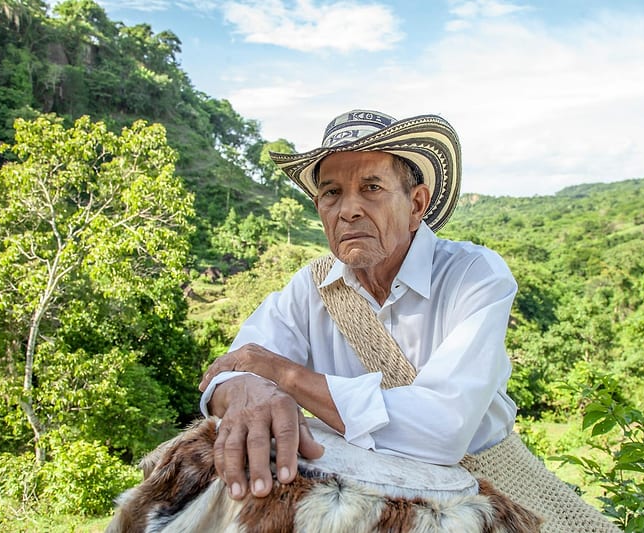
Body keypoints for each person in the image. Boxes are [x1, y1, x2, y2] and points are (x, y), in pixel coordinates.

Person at [198, 109, 619, 532]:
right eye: (331, 193)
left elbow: (441, 430)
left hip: (486, 487)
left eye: (372, 187)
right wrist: (248, 389)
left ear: (416, 204)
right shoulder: (310, 288)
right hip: (365, 495)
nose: (349, 210)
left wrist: (284, 377)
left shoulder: (474, 276)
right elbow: (230, 369)